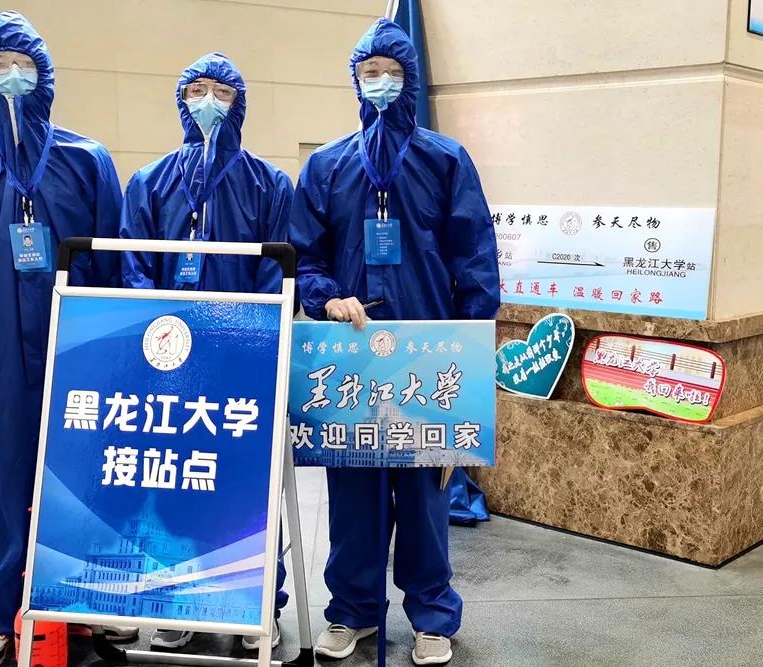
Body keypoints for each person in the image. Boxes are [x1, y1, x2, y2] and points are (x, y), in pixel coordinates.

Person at [0, 12, 135, 667]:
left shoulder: (86, 159)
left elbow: (114, 261)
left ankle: (78, 603)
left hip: (78, 341)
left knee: (81, 475)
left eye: (22, 64)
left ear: (46, 74)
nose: (10, 75)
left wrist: (121, 342)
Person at [289, 18, 500, 666]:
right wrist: (326, 295)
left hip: (426, 355)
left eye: (391, 72)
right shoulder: (326, 166)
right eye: (368, 73)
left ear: (410, 80)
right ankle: (352, 610)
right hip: (350, 353)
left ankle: (432, 615)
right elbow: (305, 254)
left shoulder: (445, 160)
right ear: (355, 81)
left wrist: (469, 351)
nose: (379, 83)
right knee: (353, 492)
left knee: (424, 495)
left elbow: (475, 257)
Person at [120, 52, 292, 651]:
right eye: (197, 90)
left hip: (242, 362)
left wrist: (241, 338)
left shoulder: (269, 185)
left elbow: (277, 274)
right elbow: (134, 269)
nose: (208, 101)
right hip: (169, 366)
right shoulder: (148, 183)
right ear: (180, 100)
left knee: (247, 483)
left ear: (239, 104)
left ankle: (257, 605)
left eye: (222, 91)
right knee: (173, 482)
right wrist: (164, 339)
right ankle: (177, 599)